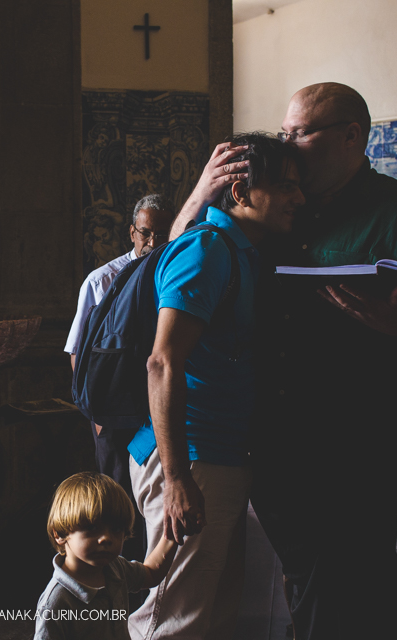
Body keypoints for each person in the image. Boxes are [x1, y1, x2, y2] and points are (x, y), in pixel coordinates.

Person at [172, 83, 397, 640]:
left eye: (298, 134)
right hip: (270, 431)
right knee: (317, 571)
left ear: (350, 137)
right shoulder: (277, 206)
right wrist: (202, 192)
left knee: (350, 567)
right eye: (283, 132)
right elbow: (178, 261)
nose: (286, 143)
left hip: (358, 437)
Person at [128, 133, 304, 640]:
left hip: (219, 456)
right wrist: (178, 478)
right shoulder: (208, 249)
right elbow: (162, 362)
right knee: (169, 621)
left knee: (212, 614)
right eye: (285, 186)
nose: (299, 198)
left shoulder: (242, 250)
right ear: (241, 194)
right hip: (191, 459)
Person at [65, 195, 178, 504]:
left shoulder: (176, 278)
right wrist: (96, 413)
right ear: (132, 233)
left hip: (158, 410)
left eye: (163, 233)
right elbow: (78, 351)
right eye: (146, 232)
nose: (154, 242)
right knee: (116, 499)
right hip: (112, 413)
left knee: (157, 498)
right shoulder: (101, 281)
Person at [35, 472, 178, 640]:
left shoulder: (116, 568)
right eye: (92, 528)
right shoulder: (56, 603)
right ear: (59, 534)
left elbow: (152, 573)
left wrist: (173, 533)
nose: (106, 538)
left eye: (116, 529)